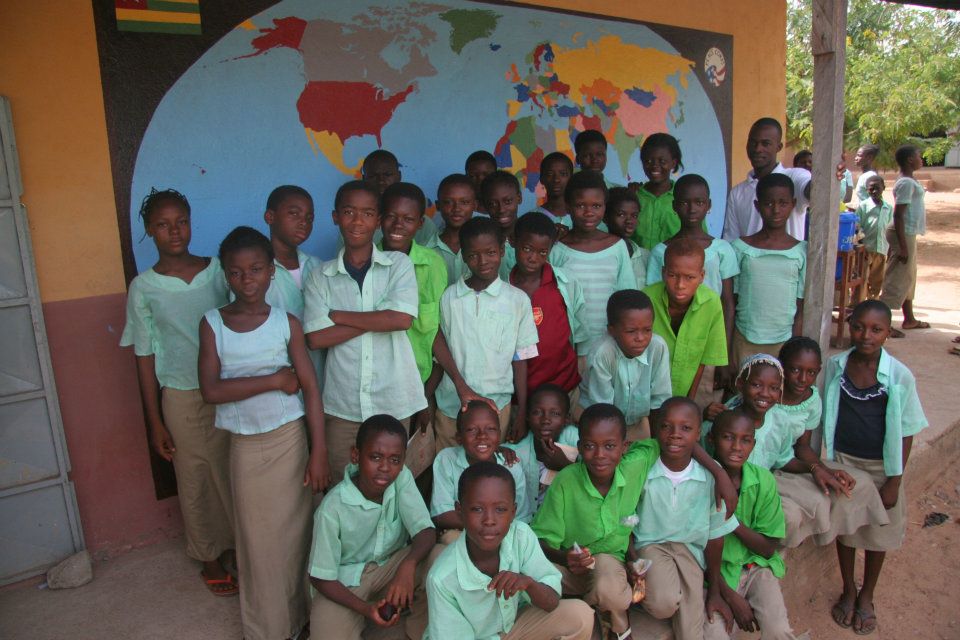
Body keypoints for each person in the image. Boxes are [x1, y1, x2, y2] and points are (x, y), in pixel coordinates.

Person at [198, 226, 328, 640]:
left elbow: (310, 389)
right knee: (258, 544)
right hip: (246, 448)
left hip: (290, 441)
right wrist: (273, 380)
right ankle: (269, 629)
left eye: (255, 269)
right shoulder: (213, 324)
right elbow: (211, 391)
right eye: (236, 272)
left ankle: (302, 619)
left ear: (272, 271)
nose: (247, 279)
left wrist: (318, 452)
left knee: (296, 536)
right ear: (225, 275)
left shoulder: (285, 323)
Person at [120, 188, 236, 596]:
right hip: (182, 396)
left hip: (229, 388)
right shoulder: (144, 288)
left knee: (232, 470)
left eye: (181, 222)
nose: (174, 231)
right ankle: (208, 555)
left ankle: (240, 546)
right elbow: (144, 356)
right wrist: (154, 421)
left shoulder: (218, 271)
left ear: (191, 222)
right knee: (194, 476)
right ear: (149, 230)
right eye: (163, 225)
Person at [303, 180, 425, 483]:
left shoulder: (398, 264)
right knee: (342, 486)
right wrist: (379, 318)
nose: (357, 221)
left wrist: (340, 317)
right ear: (335, 217)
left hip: (393, 399)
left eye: (368, 213)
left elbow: (401, 320)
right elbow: (316, 338)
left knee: (391, 487)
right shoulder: (320, 276)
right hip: (342, 404)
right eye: (349, 212)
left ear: (378, 220)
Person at [823, 301, 927, 635]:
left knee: (879, 532)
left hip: (882, 466)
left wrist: (894, 480)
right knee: (847, 529)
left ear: (887, 333)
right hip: (844, 462)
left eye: (876, 329)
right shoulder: (836, 366)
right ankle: (848, 588)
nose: (865, 335)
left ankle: (867, 594)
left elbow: (907, 430)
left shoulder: (898, 375)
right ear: (849, 326)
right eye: (858, 327)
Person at [424, 461, 596, 640]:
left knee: (580, 615)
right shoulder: (441, 579)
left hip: (514, 627)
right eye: (477, 509)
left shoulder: (520, 536)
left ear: (513, 512)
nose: (489, 520)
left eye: (500, 509)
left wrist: (529, 584)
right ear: (460, 511)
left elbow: (551, 601)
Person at [533, 404, 660, 640]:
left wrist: (719, 473)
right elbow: (541, 540)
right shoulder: (566, 481)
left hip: (609, 564)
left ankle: (607, 610)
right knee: (533, 573)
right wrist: (565, 558)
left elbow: (663, 441)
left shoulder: (635, 465)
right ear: (580, 447)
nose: (600, 455)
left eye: (610, 446)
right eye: (590, 446)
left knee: (609, 589)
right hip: (570, 566)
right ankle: (591, 612)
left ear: (624, 447)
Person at [308, 415, 435, 640]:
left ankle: (418, 632)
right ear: (355, 456)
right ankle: (365, 618)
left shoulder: (401, 478)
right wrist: (366, 609)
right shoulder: (332, 508)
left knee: (440, 556)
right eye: (375, 457)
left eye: (395, 460)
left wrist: (407, 567)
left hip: (390, 568)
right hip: (347, 584)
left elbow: (426, 531)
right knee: (326, 631)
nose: (385, 467)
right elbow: (320, 577)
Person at [627, 396, 737, 640]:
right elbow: (626, 519)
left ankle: (675, 593)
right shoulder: (644, 468)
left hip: (690, 552)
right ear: (656, 429)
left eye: (686, 428)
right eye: (666, 426)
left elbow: (715, 536)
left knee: (690, 633)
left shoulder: (709, 477)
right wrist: (632, 559)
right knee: (662, 604)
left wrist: (715, 590)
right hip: (650, 545)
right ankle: (638, 598)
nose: (675, 434)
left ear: (698, 433)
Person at [434, 216, 539, 449]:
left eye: (490, 252)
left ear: (502, 251)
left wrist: (521, 410)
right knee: (448, 464)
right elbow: (440, 355)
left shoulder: (517, 300)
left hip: (497, 408)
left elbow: (520, 360)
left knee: (490, 467)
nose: (483, 261)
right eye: (473, 255)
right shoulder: (449, 298)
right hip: (451, 407)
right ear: (463, 256)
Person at [772, 338, 889, 548]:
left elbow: (803, 446)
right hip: (770, 466)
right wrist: (815, 469)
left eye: (811, 372)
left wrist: (825, 471)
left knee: (859, 483)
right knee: (815, 500)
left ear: (818, 371)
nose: (802, 379)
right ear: (781, 367)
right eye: (795, 370)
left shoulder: (811, 400)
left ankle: (833, 537)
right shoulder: (768, 393)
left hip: (792, 462)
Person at [704, 410, 799, 640]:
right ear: (711, 439)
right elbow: (694, 553)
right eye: (728, 437)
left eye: (745, 440)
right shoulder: (700, 482)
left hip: (755, 567)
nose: (736, 447)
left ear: (753, 444)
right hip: (714, 578)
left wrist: (730, 520)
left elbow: (767, 548)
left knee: (779, 631)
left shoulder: (763, 480)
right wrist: (731, 596)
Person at [646, 174, 738, 394]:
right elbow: (656, 302)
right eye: (684, 203)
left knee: (702, 402)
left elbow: (727, 303)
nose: (692, 209)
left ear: (709, 205)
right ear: (674, 206)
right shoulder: (661, 251)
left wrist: (724, 356)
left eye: (699, 202)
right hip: (667, 344)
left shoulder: (723, 249)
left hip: (706, 340)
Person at [378, 182, 448, 435]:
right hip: (377, 385)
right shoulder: (367, 262)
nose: (398, 225)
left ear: (420, 224)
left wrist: (424, 395)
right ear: (379, 218)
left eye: (408, 219)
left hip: (422, 383)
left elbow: (436, 331)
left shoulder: (433, 264)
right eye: (391, 216)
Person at [550, 170, 635, 353]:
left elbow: (627, 297)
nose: (589, 212)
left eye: (596, 206)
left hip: (611, 346)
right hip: (569, 346)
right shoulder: (557, 249)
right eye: (580, 205)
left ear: (605, 207)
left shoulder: (617, 247)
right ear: (568, 207)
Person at [730, 173, 806, 367]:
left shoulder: (801, 251)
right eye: (768, 203)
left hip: (784, 341)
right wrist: (727, 352)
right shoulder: (740, 248)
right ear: (757, 206)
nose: (776, 210)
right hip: (744, 338)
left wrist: (794, 346)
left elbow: (801, 305)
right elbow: (731, 300)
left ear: (793, 204)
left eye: (783, 203)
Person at [509, 212, 586, 398]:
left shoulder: (565, 283)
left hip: (564, 387)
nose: (533, 258)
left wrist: (580, 370)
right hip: (519, 392)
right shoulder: (504, 288)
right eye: (527, 249)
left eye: (542, 252)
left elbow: (580, 334)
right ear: (513, 241)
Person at [431, 400, 532, 542]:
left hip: (504, 536)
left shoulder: (511, 465)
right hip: (462, 533)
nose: (482, 436)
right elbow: (442, 515)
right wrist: (485, 528)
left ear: (499, 435)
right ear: (459, 437)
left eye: (490, 429)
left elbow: (521, 519)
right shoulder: (446, 460)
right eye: (472, 430)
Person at [578, 290, 672, 441]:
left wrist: (655, 445)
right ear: (612, 331)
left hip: (638, 422)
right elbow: (603, 411)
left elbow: (659, 403)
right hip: (597, 422)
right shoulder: (603, 353)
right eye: (631, 331)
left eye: (647, 330)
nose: (640, 338)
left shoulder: (657, 347)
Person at [643, 238, 728, 402]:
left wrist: (689, 400)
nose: (680, 285)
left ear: (702, 276)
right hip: (647, 392)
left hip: (686, 389)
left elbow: (702, 361)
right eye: (673, 275)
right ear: (663, 272)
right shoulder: (647, 299)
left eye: (690, 277)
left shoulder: (711, 303)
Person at [723, 118, 811, 242]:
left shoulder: (793, 178)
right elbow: (731, 241)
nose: (758, 149)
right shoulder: (737, 193)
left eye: (765, 144)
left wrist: (833, 175)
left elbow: (813, 190)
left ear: (779, 147)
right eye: (753, 143)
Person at [505, 384, 581, 509]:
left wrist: (566, 466)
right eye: (537, 412)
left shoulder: (575, 438)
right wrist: (498, 449)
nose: (546, 420)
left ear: (566, 419)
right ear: (527, 416)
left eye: (555, 413)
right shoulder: (518, 451)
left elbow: (596, 477)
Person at [880, 144, 929, 337]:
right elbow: (898, 215)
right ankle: (882, 324)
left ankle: (909, 319)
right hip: (903, 233)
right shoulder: (906, 183)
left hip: (908, 233)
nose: (921, 159)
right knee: (897, 278)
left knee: (908, 276)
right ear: (910, 159)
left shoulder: (910, 180)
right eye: (918, 156)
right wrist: (902, 246)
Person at [361, 149, 437, 249]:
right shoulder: (356, 222)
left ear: (399, 176)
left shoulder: (425, 225)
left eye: (387, 175)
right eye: (373, 176)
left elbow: (428, 256)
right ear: (364, 179)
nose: (381, 181)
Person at [633, 133, 684, 250]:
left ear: (673, 163)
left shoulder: (683, 197)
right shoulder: (633, 196)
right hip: (637, 261)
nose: (655, 166)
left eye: (662, 161)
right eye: (648, 161)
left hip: (673, 260)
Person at [433, 173, 479, 286]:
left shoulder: (489, 248)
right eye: (448, 202)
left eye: (464, 202)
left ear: (475, 205)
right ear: (438, 205)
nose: (457, 209)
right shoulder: (426, 249)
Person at [480, 170, 523, 279]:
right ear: (484, 205)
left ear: (519, 198)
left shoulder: (534, 236)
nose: (501, 209)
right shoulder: (480, 242)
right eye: (493, 204)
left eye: (508, 201)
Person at [856, 175, 893, 301]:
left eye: (877, 188)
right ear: (867, 190)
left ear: (884, 188)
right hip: (866, 250)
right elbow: (857, 227)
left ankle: (873, 303)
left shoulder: (888, 208)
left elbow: (889, 229)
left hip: (881, 250)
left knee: (877, 280)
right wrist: (861, 245)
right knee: (862, 279)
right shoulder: (863, 206)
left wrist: (890, 248)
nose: (874, 191)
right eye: (871, 188)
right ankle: (858, 305)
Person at [604, 186, 649, 287]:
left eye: (634, 216)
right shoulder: (598, 255)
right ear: (605, 217)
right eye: (621, 215)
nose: (629, 221)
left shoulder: (645, 256)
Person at [537, 151, 574, 229]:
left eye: (563, 174)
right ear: (541, 179)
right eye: (550, 174)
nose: (556, 179)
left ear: (571, 178)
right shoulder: (532, 217)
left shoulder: (583, 217)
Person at [465, 150, 498, 214]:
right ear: (466, 177)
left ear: (496, 176)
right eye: (473, 176)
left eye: (486, 175)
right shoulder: (460, 210)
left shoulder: (505, 208)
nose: (480, 180)